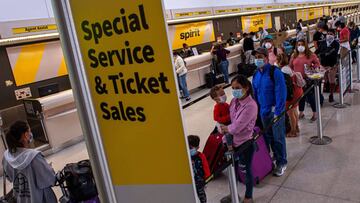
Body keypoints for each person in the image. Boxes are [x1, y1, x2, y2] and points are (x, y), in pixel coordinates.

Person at [221, 75, 258, 203]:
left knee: (246, 170)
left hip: (245, 143)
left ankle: (248, 196)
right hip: (232, 142)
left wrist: (226, 128)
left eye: (238, 88)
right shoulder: (234, 101)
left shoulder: (251, 105)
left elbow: (237, 127)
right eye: (233, 88)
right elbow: (231, 120)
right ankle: (233, 194)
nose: (235, 90)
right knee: (232, 170)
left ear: (246, 88)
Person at [252, 47, 288, 177]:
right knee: (268, 137)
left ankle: (282, 162)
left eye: (260, 57)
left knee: (278, 137)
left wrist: (278, 112)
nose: (258, 60)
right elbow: (255, 94)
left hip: (275, 111)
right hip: (263, 112)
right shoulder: (256, 75)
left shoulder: (275, 72)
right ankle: (275, 157)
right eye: (256, 57)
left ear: (267, 58)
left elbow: (281, 93)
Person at [3, 121, 57, 203]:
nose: (31, 134)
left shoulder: (6, 156)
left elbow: (9, 178)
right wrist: (48, 168)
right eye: (29, 131)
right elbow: (50, 180)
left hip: (20, 199)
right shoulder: (34, 157)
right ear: (25, 135)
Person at [289, 39, 321, 121]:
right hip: (297, 80)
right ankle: (301, 112)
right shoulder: (294, 55)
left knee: (310, 97)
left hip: (307, 79)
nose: (300, 46)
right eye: (298, 44)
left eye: (302, 44)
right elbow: (290, 66)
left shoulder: (310, 55)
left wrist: (313, 67)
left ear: (305, 45)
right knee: (300, 97)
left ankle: (315, 113)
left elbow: (317, 63)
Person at [276, 53, 303, 137]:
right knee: (294, 110)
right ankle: (297, 127)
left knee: (290, 113)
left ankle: (293, 131)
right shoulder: (287, 67)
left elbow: (285, 84)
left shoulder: (283, 70)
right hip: (297, 90)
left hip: (291, 93)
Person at [188, 135, 210, 203]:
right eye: (188, 147)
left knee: (202, 196)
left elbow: (206, 167)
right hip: (190, 182)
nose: (189, 149)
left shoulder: (201, 156)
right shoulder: (187, 156)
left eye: (191, 148)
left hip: (200, 182)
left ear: (197, 147)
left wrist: (207, 178)